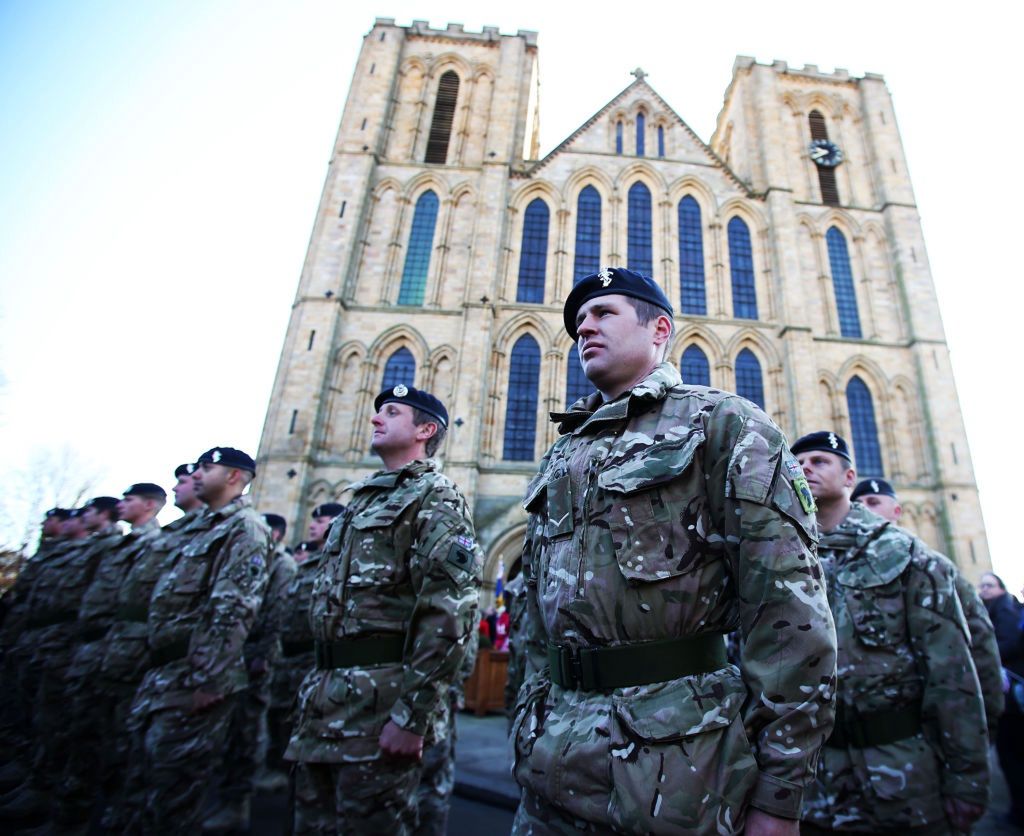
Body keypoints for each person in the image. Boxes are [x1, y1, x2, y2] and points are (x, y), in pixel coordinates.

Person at [512, 267, 837, 835]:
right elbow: (538, 616)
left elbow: (789, 614)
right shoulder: (563, 453)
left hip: (676, 771)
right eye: (577, 322)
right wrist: (529, 716)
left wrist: (781, 794)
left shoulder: (724, 424)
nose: (583, 327)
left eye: (603, 313)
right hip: (551, 762)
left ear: (659, 328)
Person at [285, 385, 482, 835]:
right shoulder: (361, 502)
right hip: (326, 705)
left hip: (380, 709)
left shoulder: (436, 496)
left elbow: (449, 613)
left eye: (391, 412)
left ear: (425, 430)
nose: (375, 418)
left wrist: (413, 717)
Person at [796, 433, 989, 834]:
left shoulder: (906, 554)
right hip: (811, 787)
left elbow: (953, 673)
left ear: (850, 476)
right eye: (797, 461)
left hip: (902, 778)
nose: (805, 468)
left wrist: (966, 778)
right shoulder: (781, 558)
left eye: (819, 460)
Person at [117, 448, 270, 833]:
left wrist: (210, 678)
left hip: (195, 678)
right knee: (142, 780)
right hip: (164, 671)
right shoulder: (197, 530)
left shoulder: (245, 528)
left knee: (173, 793)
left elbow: (234, 606)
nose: (195, 476)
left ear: (234, 476)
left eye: (207, 468)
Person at [0, 497, 123, 824]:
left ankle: (69, 810)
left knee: (77, 727)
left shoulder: (125, 546)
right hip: (56, 640)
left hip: (92, 647)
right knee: (44, 714)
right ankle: (39, 781)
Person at [99, 464, 208, 830]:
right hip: (146, 655)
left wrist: (211, 675)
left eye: (202, 473)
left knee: (170, 771)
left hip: (183, 665)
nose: (187, 484)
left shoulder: (232, 531)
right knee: (130, 754)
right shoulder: (177, 534)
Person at [850, 478, 1004, 735]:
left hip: (924, 731)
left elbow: (979, 644)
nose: (864, 510)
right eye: (858, 504)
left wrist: (982, 724)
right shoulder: (841, 570)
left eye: (873, 502)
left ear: (897, 511)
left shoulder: (932, 566)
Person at [56, 483, 167, 829]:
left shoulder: (155, 543)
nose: (186, 484)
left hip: (132, 653)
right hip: (106, 647)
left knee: (120, 741)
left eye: (129, 499)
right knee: (85, 732)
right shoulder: (134, 544)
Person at [203, 513, 298, 832]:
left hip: (266, 656)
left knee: (253, 725)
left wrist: (266, 653)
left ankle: (246, 798)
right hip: (240, 654)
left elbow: (278, 612)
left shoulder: (283, 564)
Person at [262, 502, 345, 793]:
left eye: (321, 520)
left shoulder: (345, 560)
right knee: (281, 723)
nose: (312, 525)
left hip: (320, 664)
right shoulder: (305, 562)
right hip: (289, 661)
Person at [978, 571, 1024, 828]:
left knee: (1012, 755)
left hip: (1012, 699)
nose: (983, 589)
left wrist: (985, 655)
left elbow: (1006, 645)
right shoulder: (995, 608)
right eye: (982, 585)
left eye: (989, 585)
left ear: (1000, 588)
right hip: (1008, 698)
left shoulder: (1004, 609)